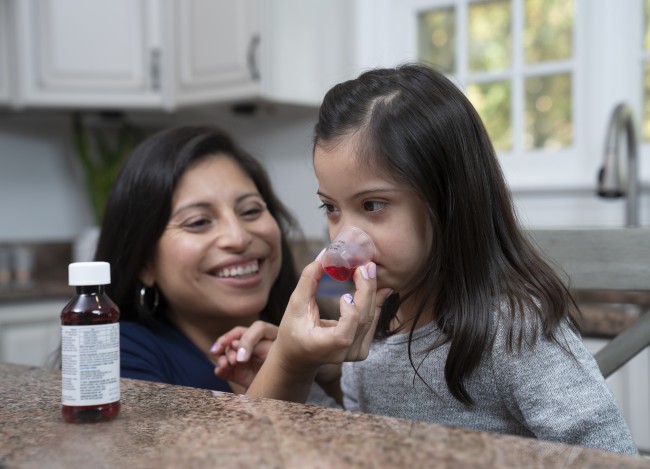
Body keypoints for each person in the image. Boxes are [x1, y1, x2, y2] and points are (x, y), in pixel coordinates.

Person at [213, 64, 638, 455]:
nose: (345, 238)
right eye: (331, 208)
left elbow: (608, 453)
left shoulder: (512, 327)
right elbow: (358, 440)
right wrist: (300, 368)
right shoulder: (373, 317)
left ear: (448, 201)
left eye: (374, 205)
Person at [93, 125, 302, 393]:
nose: (238, 238)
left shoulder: (322, 328)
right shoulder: (118, 354)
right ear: (144, 262)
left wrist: (332, 378)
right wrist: (288, 369)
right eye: (199, 222)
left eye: (250, 211)